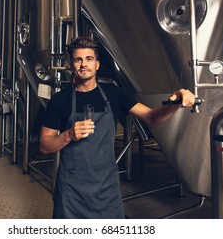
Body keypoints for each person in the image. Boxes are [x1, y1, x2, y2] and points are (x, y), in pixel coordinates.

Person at [40, 36, 195, 219]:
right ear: (71, 65)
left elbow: (152, 117)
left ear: (97, 64)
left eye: (89, 59)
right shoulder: (60, 100)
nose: (83, 64)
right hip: (71, 188)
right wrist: (68, 135)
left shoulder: (114, 93)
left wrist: (175, 101)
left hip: (106, 187)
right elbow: (44, 145)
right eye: (78, 59)